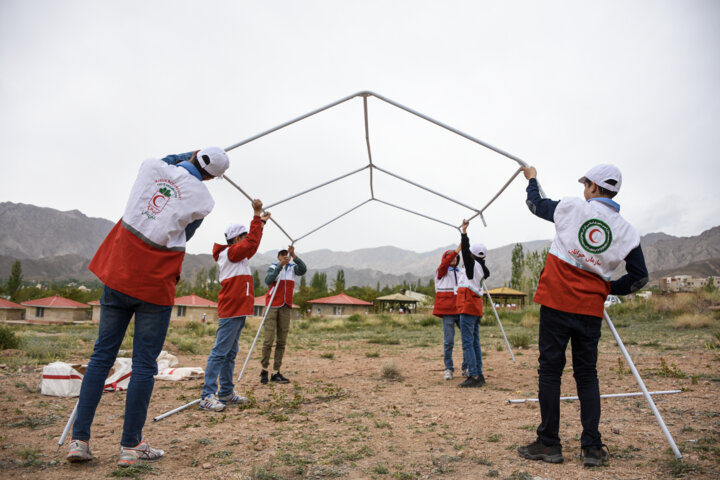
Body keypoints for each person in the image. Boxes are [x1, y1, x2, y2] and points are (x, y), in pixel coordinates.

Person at [67, 147, 230, 467]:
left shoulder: (150, 168)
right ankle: (130, 446)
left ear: (195, 156)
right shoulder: (204, 199)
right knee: (144, 365)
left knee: (101, 357)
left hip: (118, 271)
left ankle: (79, 441)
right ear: (212, 177)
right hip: (154, 282)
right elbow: (186, 232)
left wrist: (190, 152)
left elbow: (167, 160)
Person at [517, 164, 648, 467]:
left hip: (556, 301)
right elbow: (640, 278)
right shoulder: (627, 231)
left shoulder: (573, 207)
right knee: (586, 375)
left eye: (585, 183)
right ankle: (591, 447)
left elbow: (535, 205)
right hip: (590, 310)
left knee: (550, 372)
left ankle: (549, 445)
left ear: (591, 186)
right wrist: (605, 288)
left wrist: (532, 179)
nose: (583, 189)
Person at [199, 199, 271, 412]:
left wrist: (261, 223)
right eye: (244, 237)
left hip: (239, 309)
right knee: (220, 352)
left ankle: (226, 392)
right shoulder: (231, 253)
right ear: (237, 239)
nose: (248, 240)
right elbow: (251, 244)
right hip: (232, 309)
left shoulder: (237, 255)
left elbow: (251, 243)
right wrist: (256, 216)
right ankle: (207, 395)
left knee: (230, 353)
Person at [260, 246, 307, 384]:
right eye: (282, 254)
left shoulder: (293, 268)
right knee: (268, 340)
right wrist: (279, 267)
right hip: (272, 306)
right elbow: (268, 280)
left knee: (282, 341)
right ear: (278, 256)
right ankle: (264, 370)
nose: (284, 256)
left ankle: (276, 372)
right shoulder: (273, 266)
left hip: (286, 306)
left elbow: (303, 269)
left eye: (286, 254)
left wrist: (294, 256)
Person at [455, 219, 490, 388]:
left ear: (472, 255)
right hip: (476, 308)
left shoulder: (472, 265)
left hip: (467, 307)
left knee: (468, 342)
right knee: (475, 342)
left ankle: (474, 376)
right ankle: (479, 374)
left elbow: (466, 250)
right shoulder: (482, 268)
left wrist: (464, 232)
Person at [432, 246, 467, 381]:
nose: (453, 258)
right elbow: (445, 263)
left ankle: (466, 367)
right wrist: (459, 248)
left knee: (466, 341)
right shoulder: (441, 272)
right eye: (450, 256)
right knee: (449, 341)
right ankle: (448, 368)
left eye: (455, 257)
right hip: (447, 311)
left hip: (461, 310)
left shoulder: (461, 272)